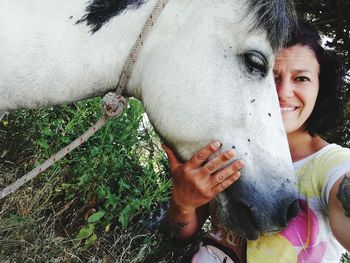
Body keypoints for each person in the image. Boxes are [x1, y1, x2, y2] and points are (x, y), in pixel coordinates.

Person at [162, 21, 350, 263]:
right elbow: (180, 232)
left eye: (301, 78)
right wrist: (183, 203)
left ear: (320, 87)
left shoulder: (333, 165)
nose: (283, 92)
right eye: (271, 75)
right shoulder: (223, 149)